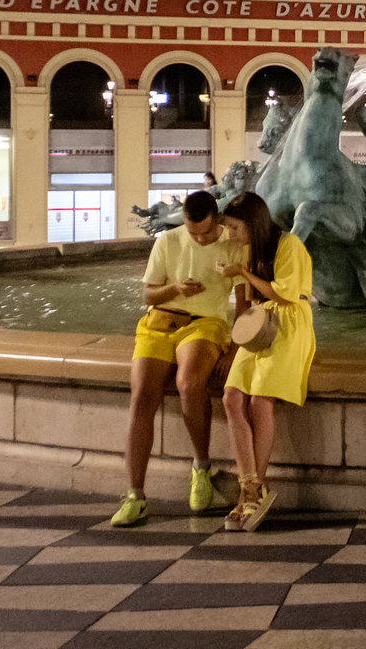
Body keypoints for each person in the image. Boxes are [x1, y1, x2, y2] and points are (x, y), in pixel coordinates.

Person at [111, 190, 236, 528]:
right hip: (159, 322)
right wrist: (176, 289)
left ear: (218, 219)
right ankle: (135, 494)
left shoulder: (233, 243)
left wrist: (237, 344)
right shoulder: (167, 241)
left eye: (206, 233)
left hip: (206, 324)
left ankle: (201, 467)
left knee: (189, 383)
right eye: (193, 231)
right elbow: (149, 294)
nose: (199, 238)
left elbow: (249, 296)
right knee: (141, 397)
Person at [218, 192, 316, 532]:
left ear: (252, 223)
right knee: (231, 397)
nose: (230, 234)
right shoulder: (244, 251)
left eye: (234, 227)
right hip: (257, 324)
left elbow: (285, 293)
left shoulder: (288, 244)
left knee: (260, 402)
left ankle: (254, 490)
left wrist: (244, 273)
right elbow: (243, 301)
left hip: (288, 322)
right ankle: (249, 483)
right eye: (228, 228)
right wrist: (234, 342)